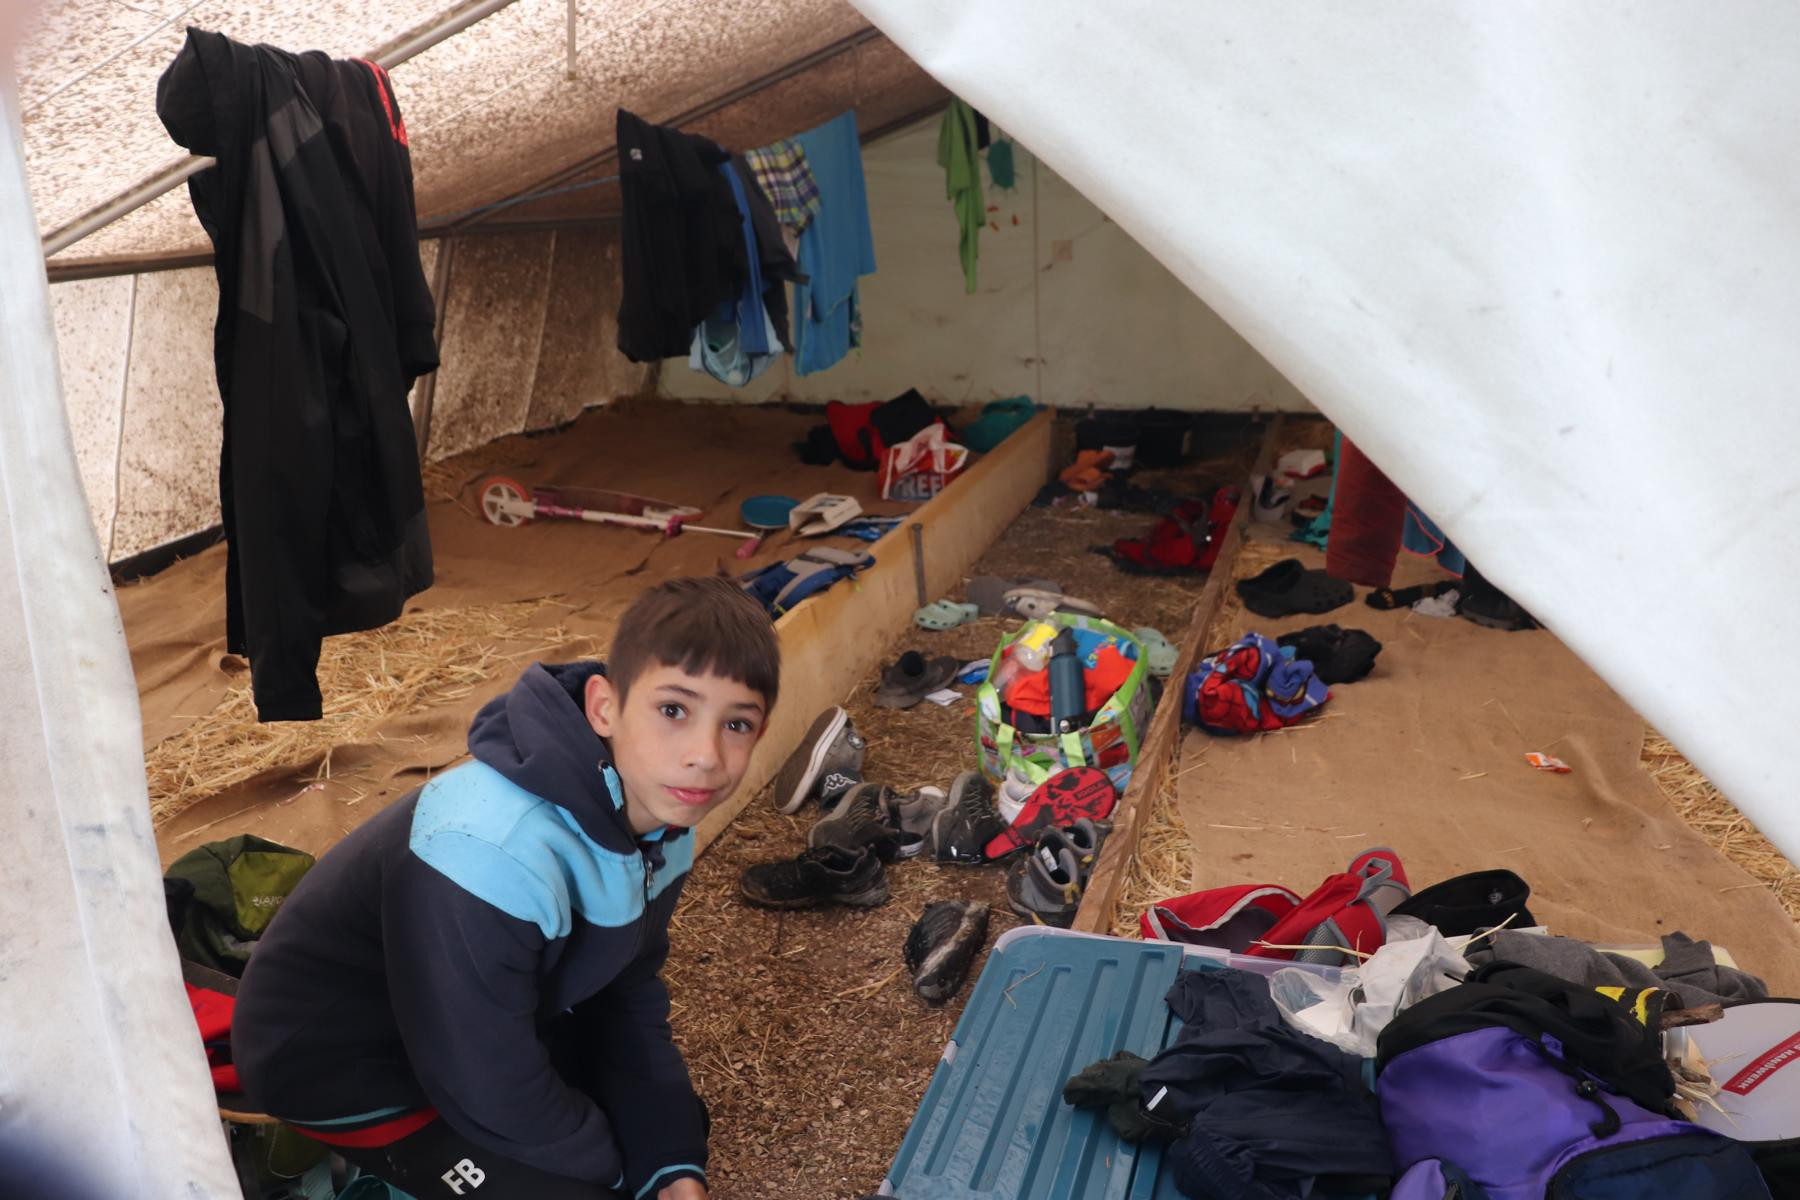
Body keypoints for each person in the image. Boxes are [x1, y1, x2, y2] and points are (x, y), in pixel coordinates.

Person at [232, 577, 780, 1199]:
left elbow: (624, 993)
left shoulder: (664, 822)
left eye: (737, 723)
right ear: (604, 707)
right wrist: (618, 1177)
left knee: (668, 1135)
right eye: (674, 711)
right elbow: (485, 1081)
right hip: (338, 1060)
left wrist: (670, 1161)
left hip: (471, 1026)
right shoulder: (489, 850)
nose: (706, 755)